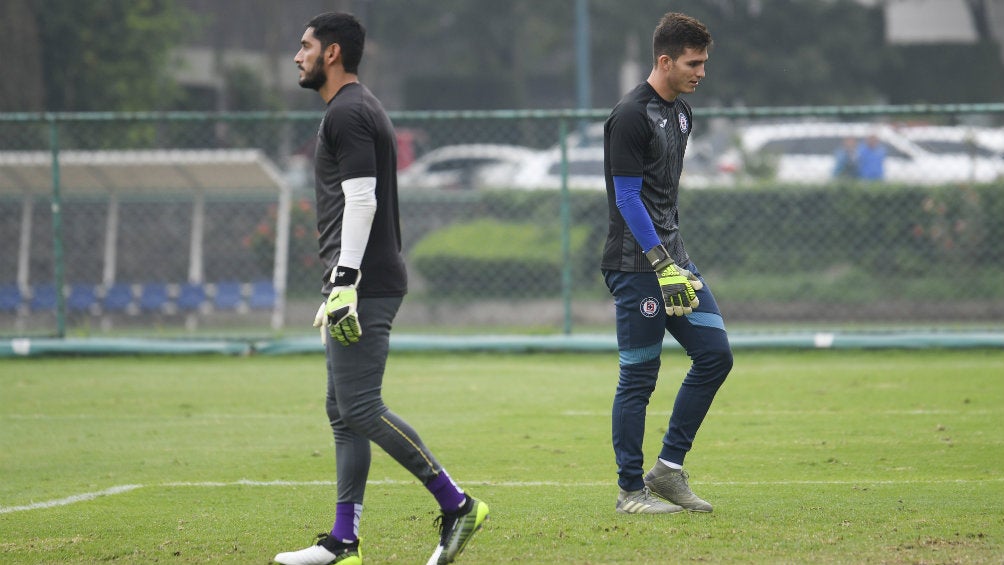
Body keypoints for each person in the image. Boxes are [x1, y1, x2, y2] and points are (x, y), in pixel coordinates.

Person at [274, 12, 488, 565]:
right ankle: (344, 543)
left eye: (305, 46)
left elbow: (362, 200)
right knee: (343, 413)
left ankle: (457, 504)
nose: (297, 56)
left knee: (362, 409)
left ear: (333, 53)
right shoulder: (350, 109)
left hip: (364, 286)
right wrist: (338, 283)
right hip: (354, 283)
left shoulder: (349, 112)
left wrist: (345, 281)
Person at [601, 12, 733, 515]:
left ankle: (668, 471)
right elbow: (629, 199)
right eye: (692, 63)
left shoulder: (681, 113)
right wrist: (661, 263)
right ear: (664, 60)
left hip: (674, 261)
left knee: (715, 355)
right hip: (638, 267)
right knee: (639, 377)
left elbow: (664, 197)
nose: (701, 72)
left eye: (703, 62)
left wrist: (675, 262)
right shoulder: (630, 115)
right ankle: (630, 492)